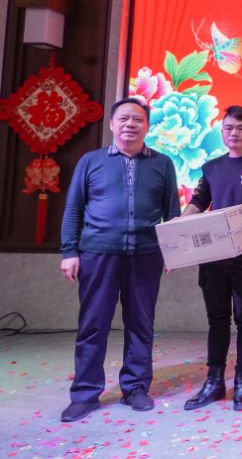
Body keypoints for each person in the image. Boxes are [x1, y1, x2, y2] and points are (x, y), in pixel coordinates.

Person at [59, 98, 181, 422]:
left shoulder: (163, 164)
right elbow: (74, 208)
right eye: (124, 119)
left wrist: (174, 250)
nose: (130, 124)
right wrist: (69, 252)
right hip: (98, 253)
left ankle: (135, 388)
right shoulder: (91, 161)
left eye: (137, 119)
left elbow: (172, 212)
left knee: (141, 324)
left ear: (147, 127)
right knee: (93, 325)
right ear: (112, 124)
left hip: (145, 255)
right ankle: (85, 394)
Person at [181, 105, 242, 411]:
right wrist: (180, 225)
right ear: (221, 131)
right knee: (217, 319)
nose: (234, 133)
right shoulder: (211, 167)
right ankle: (214, 381)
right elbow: (198, 201)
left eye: (240, 128)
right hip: (212, 256)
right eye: (228, 128)